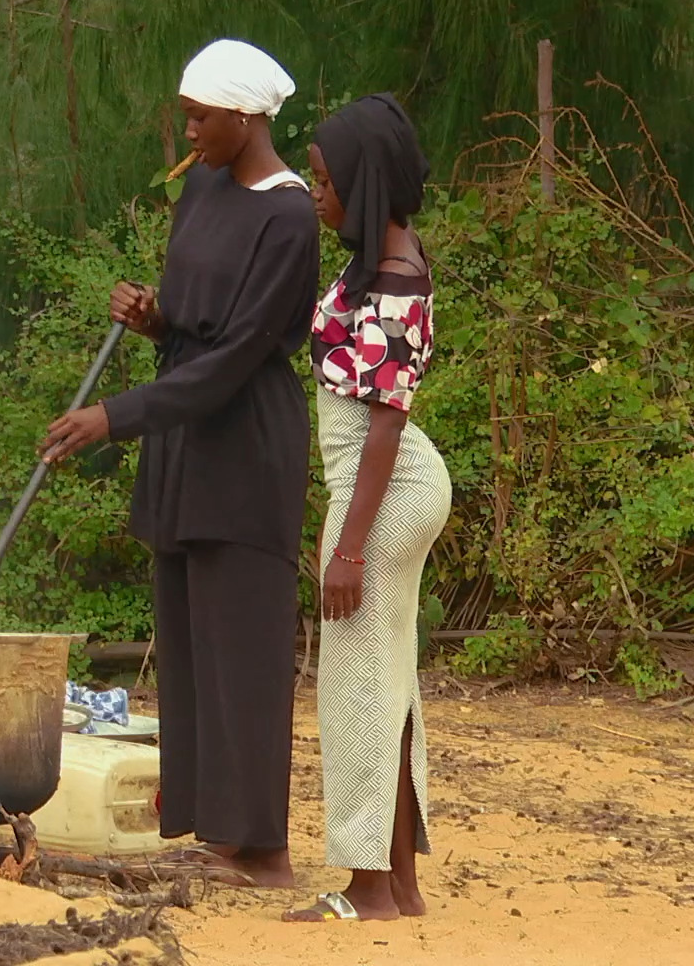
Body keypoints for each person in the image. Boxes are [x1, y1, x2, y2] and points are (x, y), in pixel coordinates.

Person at [40, 38, 318, 888]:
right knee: (193, 645)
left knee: (244, 649)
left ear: (246, 117)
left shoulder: (290, 216)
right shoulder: (201, 187)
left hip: (243, 445)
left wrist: (114, 416)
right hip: (184, 440)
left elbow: (237, 358)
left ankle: (260, 847)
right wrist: (153, 318)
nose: (188, 131)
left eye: (201, 117)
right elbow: (198, 331)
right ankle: (211, 835)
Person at [285, 94, 450, 922]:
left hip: (378, 487)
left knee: (355, 686)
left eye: (325, 179)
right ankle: (400, 884)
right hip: (384, 485)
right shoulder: (381, 257)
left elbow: (386, 421)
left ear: (365, 180)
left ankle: (368, 889)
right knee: (389, 682)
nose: (316, 192)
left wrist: (348, 548)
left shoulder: (394, 277)